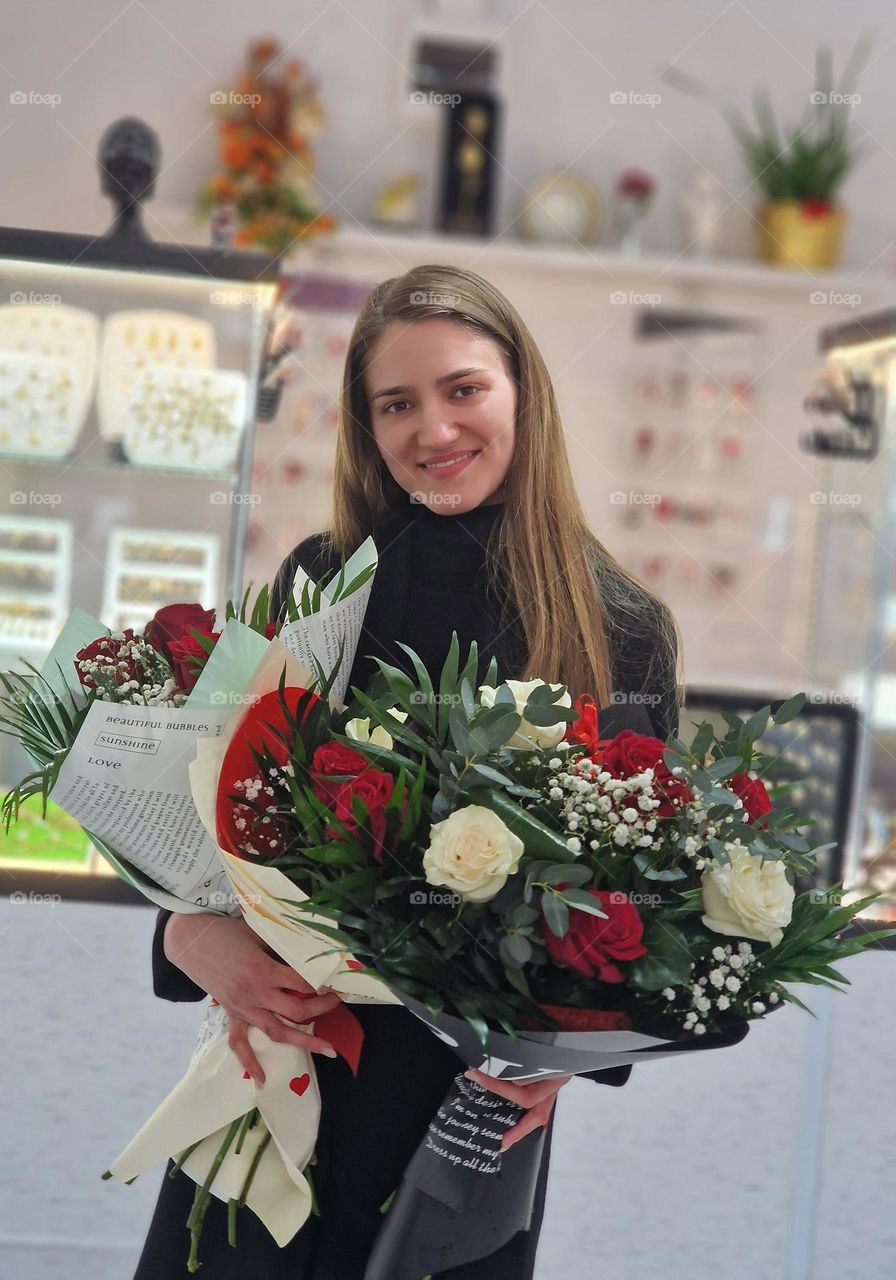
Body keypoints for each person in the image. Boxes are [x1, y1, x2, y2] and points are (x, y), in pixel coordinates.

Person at [133, 263, 681, 1279]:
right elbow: (221, 817)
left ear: (523, 391)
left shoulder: (620, 629)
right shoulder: (319, 583)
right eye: (397, 404)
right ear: (367, 427)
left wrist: (573, 1059)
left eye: (463, 388)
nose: (433, 429)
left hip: (470, 1113)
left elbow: (647, 907)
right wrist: (186, 932)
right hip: (278, 1065)